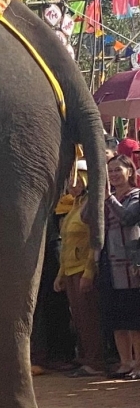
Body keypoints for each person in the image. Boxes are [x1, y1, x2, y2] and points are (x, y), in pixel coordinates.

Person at [56, 160, 105, 377]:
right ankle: (85, 357)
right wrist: (60, 275)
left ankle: (96, 361)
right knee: (78, 318)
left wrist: (89, 272)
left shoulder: (90, 205)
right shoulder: (74, 205)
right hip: (69, 269)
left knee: (89, 317)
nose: (73, 186)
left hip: (84, 268)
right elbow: (66, 241)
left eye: (77, 181)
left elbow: (94, 242)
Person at [103, 154, 140, 379]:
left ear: (130, 172)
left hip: (132, 265)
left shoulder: (136, 196)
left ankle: (138, 363)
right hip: (110, 263)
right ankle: (125, 362)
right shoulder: (107, 198)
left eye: (118, 170)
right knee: (117, 318)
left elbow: (127, 218)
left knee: (134, 319)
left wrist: (108, 198)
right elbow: (88, 219)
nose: (114, 175)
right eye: (110, 171)